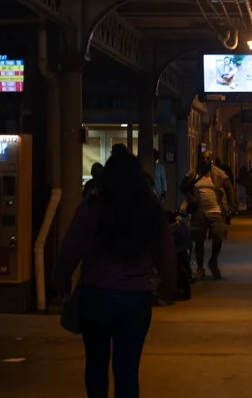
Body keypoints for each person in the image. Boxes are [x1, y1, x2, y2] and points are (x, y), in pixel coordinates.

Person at [55, 151, 176, 398]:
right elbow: (165, 252)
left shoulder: (92, 207)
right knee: (127, 371)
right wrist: (167, 285)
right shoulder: (150, 210)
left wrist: (62, 282)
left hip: (96, 294)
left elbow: (71, 248)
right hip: (136, 300)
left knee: (96, 364)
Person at [180, 150, 234, 280]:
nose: (205, 161)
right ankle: (200, 268)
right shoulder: (193, 173)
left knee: (218, 236)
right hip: (199, 212)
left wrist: (231, 205)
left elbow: (229, 187)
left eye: (208, 158)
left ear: (211, 159)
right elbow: (183, 187)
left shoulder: (218, 173)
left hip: (215, 210)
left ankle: (213, 260)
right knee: (199, 240)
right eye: (203, 158)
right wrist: (191, 198)